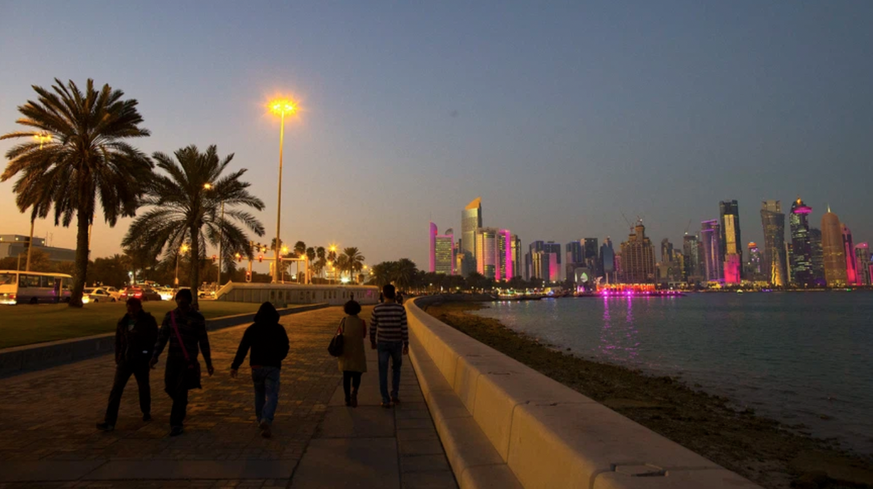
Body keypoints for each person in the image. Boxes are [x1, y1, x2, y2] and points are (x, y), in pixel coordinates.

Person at [150, 289, 214, 437]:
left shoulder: (197, 318)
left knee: (180, 390)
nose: (181, 303)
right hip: (172, 359)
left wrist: (208, 362)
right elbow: (162, 338)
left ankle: (176, 423)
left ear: (189, 302)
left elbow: (203, 341)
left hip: (188, 361)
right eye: (179, 300)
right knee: (169, 386)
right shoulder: (170, 316)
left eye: (184, 301)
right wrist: (155, 356)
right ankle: (181, 404)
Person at [97, 298, 158, 432]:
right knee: (116, 389)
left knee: (143, 386)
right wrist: (118, 356)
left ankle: (146, 411)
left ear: (139, 307)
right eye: (128, 309)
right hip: (125, 359)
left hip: (141, 359)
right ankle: (109, 420)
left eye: (133, 309)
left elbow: (154, 340)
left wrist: (149, 356)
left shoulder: (147, 321)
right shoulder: (123, 321)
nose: (130, 312)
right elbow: (118, 340)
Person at [230, 302, 290, 438]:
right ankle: (266, 419)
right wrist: (279, 357)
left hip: (256, 367)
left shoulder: (253, 329)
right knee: (272, 394)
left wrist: (235, 365)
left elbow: (243, 348)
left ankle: (260, 419)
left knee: (259, 394)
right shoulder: (279, 329)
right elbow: (286, 346)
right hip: (273, 366)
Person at [370, 284, 408, 408]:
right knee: (396, 369)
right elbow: (404, 328)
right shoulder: (400, 309)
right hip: (397, 343)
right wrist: (406, 344)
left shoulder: (377, 309)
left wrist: (372, 342)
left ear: (383, 294)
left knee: (383, 371)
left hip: (382, 343)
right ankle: (395, 395)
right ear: (394, 294)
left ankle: (385, 399)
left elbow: (372, 328)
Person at [337, 300, 367, 407]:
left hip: (346, 352)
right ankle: (354, 391)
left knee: (346, 376)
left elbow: (340, 333)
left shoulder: (344, 321)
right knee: (357, 373)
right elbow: (364, 335)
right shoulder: (362, 322)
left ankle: (347, 398)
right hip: (358, 351)